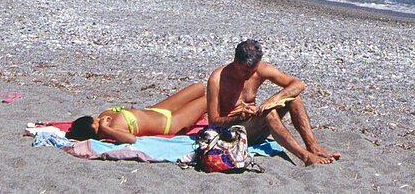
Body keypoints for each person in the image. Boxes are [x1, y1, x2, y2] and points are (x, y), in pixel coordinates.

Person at [207, 39, 340, 166]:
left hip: (254, 125)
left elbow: (298, 85)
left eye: (253, 72)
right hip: (231, 132)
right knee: (269, 115)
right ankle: (306, 157)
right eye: (246, 71)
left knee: (293, 98)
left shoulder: (259, 70)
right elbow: (213, 121)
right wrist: (240, 116)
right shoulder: (217, 79)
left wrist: (273, 100)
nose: (249, 76)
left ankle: (312, 146)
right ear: (236, 62)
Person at [66, 83, 207, 144]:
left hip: (157, 110)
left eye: (96, 119)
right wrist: (106, 128)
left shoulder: (104, 114)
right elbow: (132, 140)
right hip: (171, 123)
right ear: (99, 134)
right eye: (98, 124)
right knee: (208, 99)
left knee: (198, 88)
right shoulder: (114, 130)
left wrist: (101, 123)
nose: (101, 119)